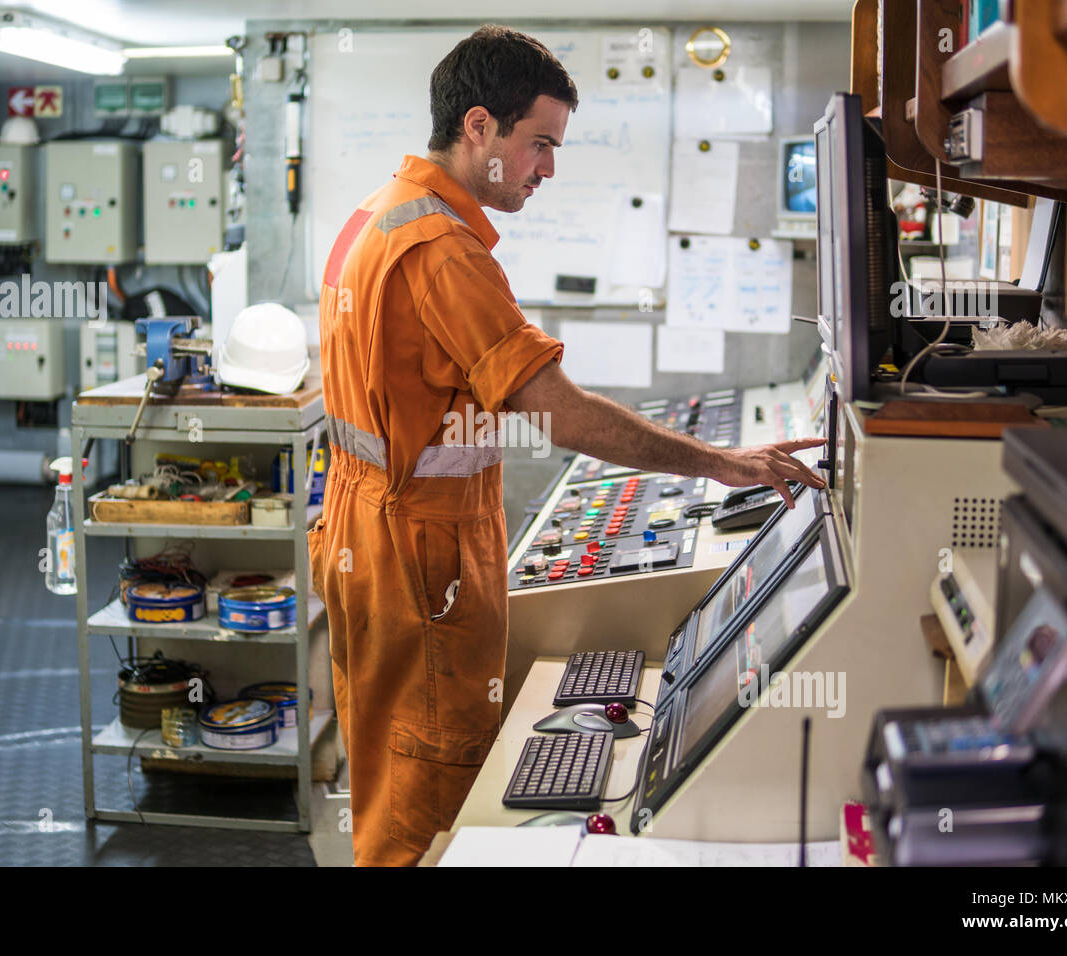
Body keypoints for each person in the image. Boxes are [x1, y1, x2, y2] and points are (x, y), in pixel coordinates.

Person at [308, 24, 825, 866]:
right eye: (540, 143)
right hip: (418, 559)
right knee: (428, 799)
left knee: (387, 766)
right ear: (479, 128)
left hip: (366, 534)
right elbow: (558, 413)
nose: (550, 167)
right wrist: (726, 465)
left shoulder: (376, 216)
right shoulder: (442, 251)